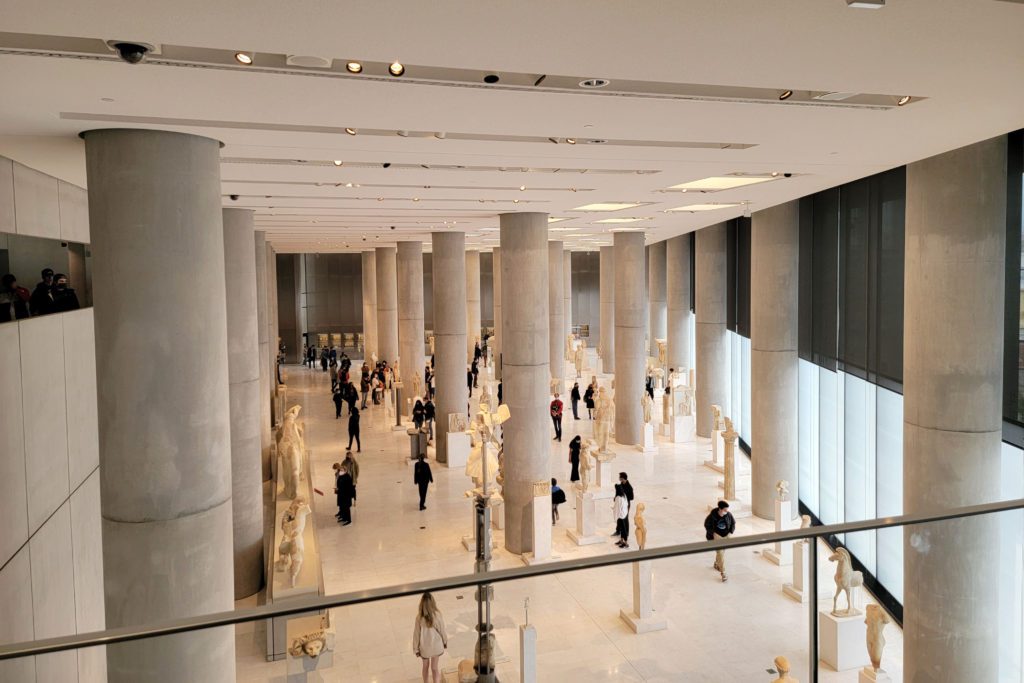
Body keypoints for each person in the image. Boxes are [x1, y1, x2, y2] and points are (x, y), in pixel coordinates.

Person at [412, 592, 447, 683]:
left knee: (425, 667)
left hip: (425, 648)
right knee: (435, 668)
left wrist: (415, 649)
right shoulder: (437, 615)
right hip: (436, 646)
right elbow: (442, 630)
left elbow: (416, 634)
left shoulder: (419, 618)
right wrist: (445, 641)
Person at [704, 500, 737, 582]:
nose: (727, 511)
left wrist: (730, 532)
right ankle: (723, 573)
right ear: (720, 509)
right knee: (720, 553)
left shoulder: (728, 515)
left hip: (726, 537)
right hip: (717, 538)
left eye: (727, 509)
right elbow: (706, 524)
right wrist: (713, 533)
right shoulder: (712, 516)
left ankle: (716, 564)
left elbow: (733, 523)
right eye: (725, 510)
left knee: (721, 552)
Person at [613, 483, 630, 548]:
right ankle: (621, 540)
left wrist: (615, 516)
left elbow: (617, 508)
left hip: (621, 515)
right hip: (624, 513)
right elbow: (626, 504)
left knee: (623, 529)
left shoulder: (618, 498)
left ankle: (625, 543)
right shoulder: (624, 495)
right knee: (623, 528)